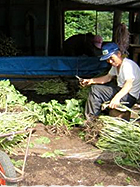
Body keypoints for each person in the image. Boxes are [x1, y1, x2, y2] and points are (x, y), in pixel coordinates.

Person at [79, 42, 140, 121]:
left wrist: (116, 98)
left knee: (96, 90)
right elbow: (107, 78)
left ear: (118, 54)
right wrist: (91, 81)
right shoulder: (116, 65)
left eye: (111, 58)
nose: (110, 61)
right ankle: (95, 117)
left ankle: (90, 121)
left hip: (129, 97)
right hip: (121, 91)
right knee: (97, 88)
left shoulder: (127, 65)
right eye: (108, 59)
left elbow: (128, 85)